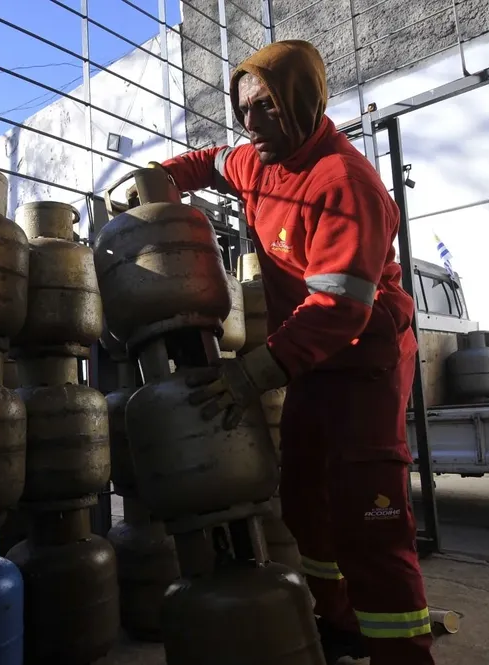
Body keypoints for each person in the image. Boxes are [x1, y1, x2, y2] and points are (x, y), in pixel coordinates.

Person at [152, 40, 436, 665]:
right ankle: (338, 624)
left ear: (302, 104)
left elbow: (338, 309)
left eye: (267, 109)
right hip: (309, 362)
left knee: (371, 519)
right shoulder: (259, 160)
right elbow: (211, 161)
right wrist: (159, 182)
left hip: (365, 361)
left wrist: (254, 373)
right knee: (307, 504)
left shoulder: (346, 183)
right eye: (244, 109)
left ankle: (402, 651)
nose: (250, 125)